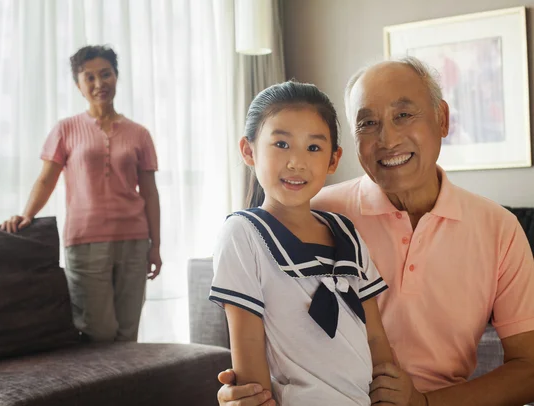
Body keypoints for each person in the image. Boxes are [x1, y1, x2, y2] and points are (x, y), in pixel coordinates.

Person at [216, 57, 534, 406]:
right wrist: (242, 393)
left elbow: (528, 368)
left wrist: (423, 404)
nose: (388, 138)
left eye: (403, 115)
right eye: (368, 123)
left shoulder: (499, 228)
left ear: (442, 118)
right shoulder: (313, 211)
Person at [209, 81, 394, 405]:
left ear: (333, 160)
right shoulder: (243, 234)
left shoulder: (346, 232)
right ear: (249, 150)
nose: (296, 162)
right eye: (281, 144)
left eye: (313, 148)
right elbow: (248, 346)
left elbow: (376, 336)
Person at [1, 45, 162, 343]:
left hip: (134, 241)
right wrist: (27, 214)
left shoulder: (139, 133)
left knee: (128, 333)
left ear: (116, 77)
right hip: (85, 241)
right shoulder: (65, 129)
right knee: (97, 331)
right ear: (79, 85)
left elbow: (150, 193)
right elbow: (46, 179)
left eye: (106, 74)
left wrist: (156, 246)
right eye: (90, 78)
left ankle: (127, 390)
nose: (99, 84)